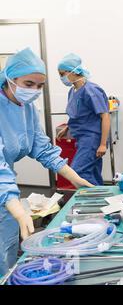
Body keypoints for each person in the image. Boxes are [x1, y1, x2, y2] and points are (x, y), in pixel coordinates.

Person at [0, 48, 93, 276]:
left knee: (8, 245)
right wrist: (19, 210)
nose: (35, 91)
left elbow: (42, 147)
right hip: (4, 183)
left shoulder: (27, 108)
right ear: (10, 79)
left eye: (40, 86)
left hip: (5, 185)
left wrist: (74, 178)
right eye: (29, 84)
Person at [56, 54, 110, 186]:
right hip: (82, 139)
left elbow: (105, 116)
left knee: (78, 172)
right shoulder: (73, 91)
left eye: (63, 73)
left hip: (92, 139)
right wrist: (67, 128)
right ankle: (100, 202)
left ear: (74, 71)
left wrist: (102, 144)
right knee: (92, 173)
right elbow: (78, 115)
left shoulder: (92, 90)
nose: (61, 78)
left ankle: (92, 200)